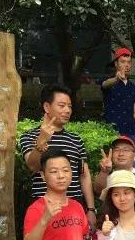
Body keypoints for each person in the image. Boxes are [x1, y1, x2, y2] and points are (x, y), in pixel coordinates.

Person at [20, 84, 97, 227]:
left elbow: (84, 175)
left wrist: (91, 209)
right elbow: (33, 167)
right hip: (44, 207)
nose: (67, 110)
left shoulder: (76, 139)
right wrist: (41, 142)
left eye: (70, 106)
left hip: (75, 206)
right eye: (61, 105)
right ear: (47, 107)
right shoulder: (29, 136)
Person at [101, 47, 135, 144]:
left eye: (129, 62)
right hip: (112, 131)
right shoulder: (109, 81)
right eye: (123, 62)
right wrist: (116, 79)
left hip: (131, 131)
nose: (126, 65)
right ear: (116, 63)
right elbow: (104, 85)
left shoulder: (133, 87)